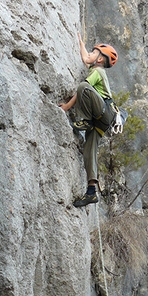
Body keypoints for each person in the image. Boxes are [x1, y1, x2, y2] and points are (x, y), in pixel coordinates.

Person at [60, 33, 118, 207]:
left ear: (100, 60)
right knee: (89, 150)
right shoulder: (97, 66)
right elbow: (86, 58)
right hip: (102, 120)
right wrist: (80, 43)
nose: (90, 56)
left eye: (94, 53)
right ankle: (91, 191)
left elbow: (81, 90)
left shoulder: (97, 71)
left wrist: (66, 107)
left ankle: (84, 121)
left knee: (83, 86)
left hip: (104, 111)